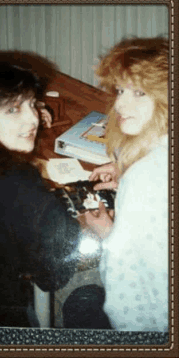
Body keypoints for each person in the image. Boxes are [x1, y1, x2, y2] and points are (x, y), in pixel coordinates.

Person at [0, 59, 84, 327]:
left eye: (32, 104)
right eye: (12, 109)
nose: (33, 119)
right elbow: (55, 275)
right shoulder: (19, 184)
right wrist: (80, 226)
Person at [82, 37, 169, 332]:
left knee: (80, 300)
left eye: (139, 93)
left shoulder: (145, 179)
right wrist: (124, 167)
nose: (119, 103)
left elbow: (129, 298)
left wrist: (107, 233)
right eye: (120, 90)